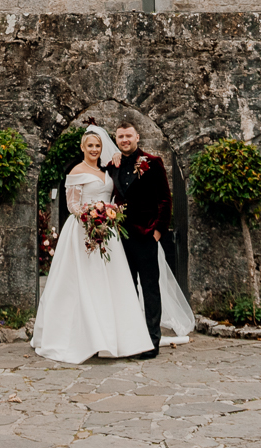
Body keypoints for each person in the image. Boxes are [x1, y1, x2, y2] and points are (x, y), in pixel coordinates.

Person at [31, 125, 155, 364]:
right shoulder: (76, 171)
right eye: (90, 145)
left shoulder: (107, 169)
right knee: (84, 282)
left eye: (98, 145)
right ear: (82, 147)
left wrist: (107, 214)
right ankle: (86, 337)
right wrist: (91, 215)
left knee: (111, 284)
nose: (95, 149)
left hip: (108, 233)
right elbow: (72, 206)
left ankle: (113, 338)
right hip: (83, 232)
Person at [107, 123, 194, 354]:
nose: (125, 140)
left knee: (150, 289)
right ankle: (131, 339)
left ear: (137, 136)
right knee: (126, 289)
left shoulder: (152, 162)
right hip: (120, 238)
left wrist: (157, 232)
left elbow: (165, 199)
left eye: (128, 136)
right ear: (116, 139)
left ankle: (152, 342)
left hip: (146, 236)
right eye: (120, 136)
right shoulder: (111, 165)